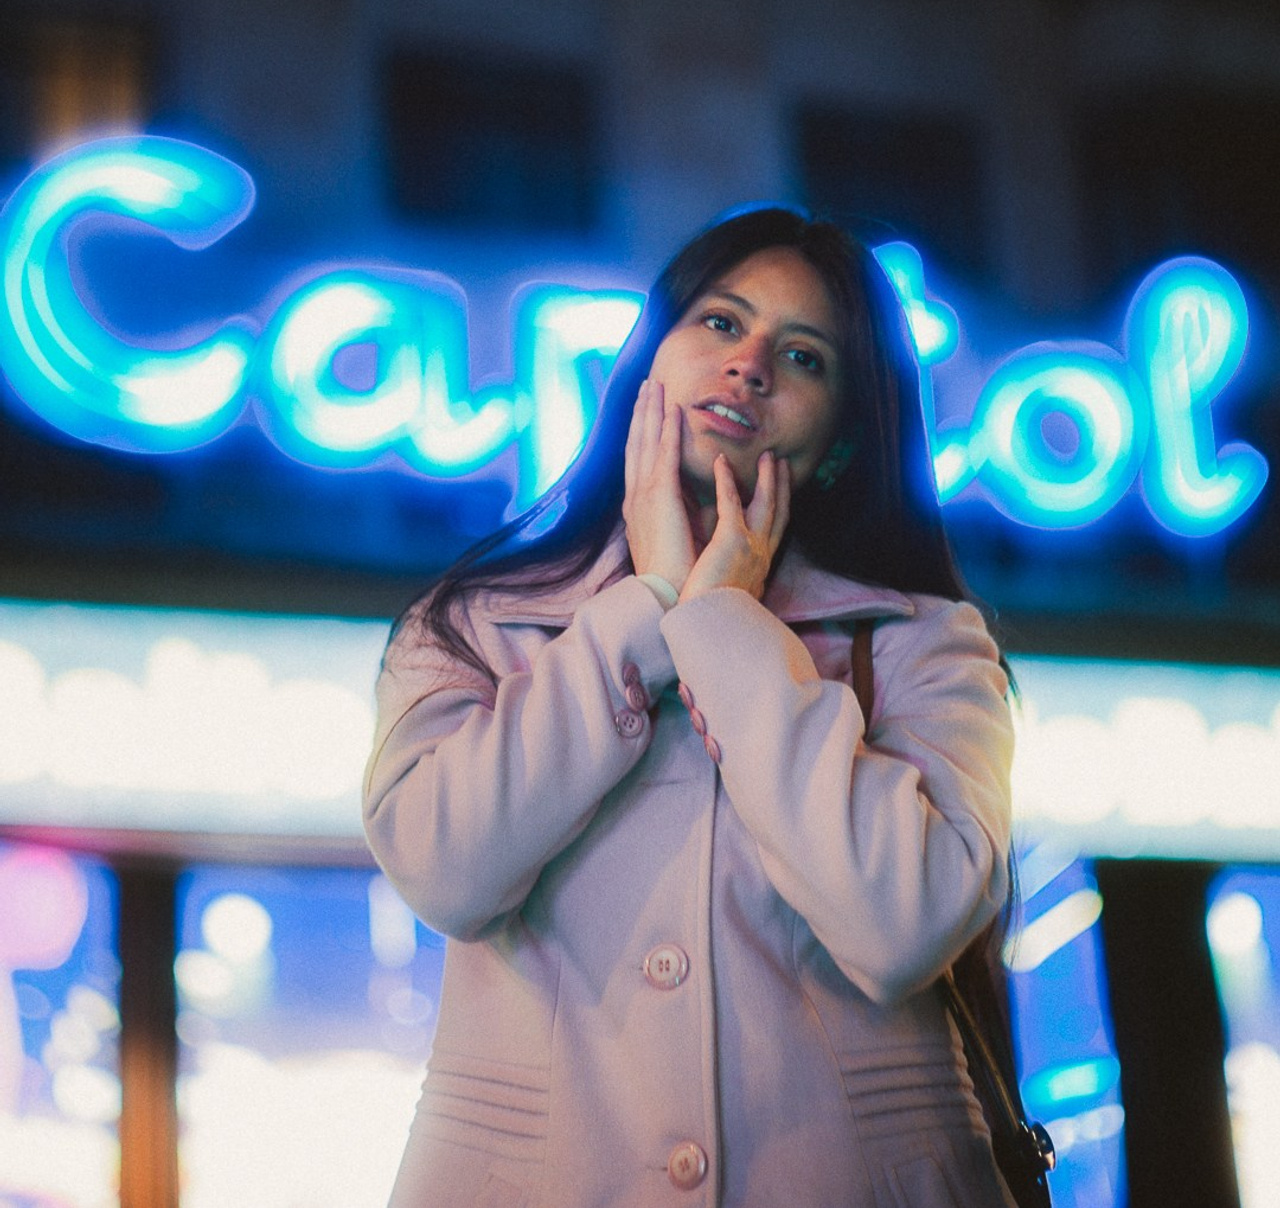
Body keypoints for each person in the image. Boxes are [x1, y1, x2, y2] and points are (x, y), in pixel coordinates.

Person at [363, 207, 1017, 1208]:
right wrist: (645, 612)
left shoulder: (924, 642)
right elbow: (449, 872)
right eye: (719, 323)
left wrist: (717, 625)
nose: (749, 365)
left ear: (842, 443)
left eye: (801, 355)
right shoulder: (472, 625)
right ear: (645, 365)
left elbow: (900, 926)